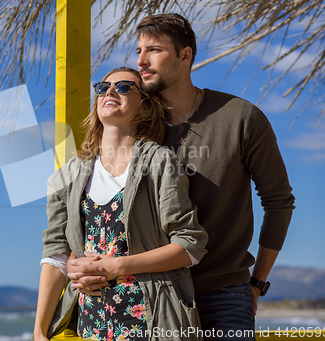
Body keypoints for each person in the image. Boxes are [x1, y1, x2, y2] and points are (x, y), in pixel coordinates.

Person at [67, 14, 295, 340]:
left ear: (185, 55)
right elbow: (99, 210)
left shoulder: (241, 118)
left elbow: (279, 203)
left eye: (154, 50)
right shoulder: (133, 124)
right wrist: (81, 265)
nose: (141, 61)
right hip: (152, 292)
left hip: (222, 292)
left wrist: (257, 282)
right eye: (138, 51)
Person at [33, 67, 208, 341]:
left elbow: (190, 245)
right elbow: (55, 256)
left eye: (125, 87)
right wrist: (39, 332)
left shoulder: (160, 162)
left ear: (145, 106)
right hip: (90, 328)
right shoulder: (66, 176)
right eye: (102, 88)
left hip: (153, 324)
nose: (111, 92)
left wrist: (116, 266)